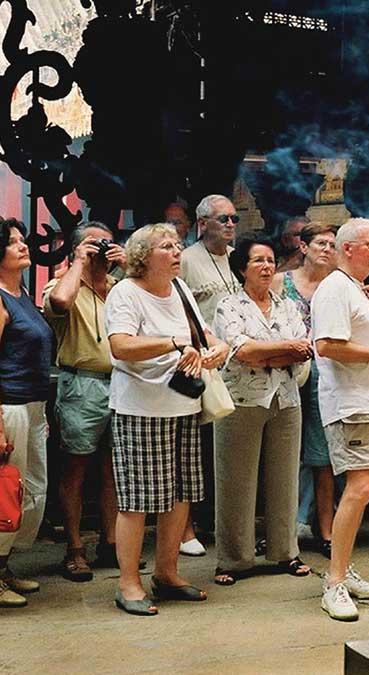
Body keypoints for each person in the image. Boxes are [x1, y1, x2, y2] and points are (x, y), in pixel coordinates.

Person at [107, 223, 229, 615]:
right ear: (143, 256)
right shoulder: (126, 292)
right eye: (166, 246)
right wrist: (176, 343)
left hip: (183, 403)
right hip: (141, 408)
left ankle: (167, 572)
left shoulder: (180, 291)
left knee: (181, 494)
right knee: (137, 500)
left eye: (178, 245)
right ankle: (128, 583)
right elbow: (121, 346)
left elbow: (207, 336)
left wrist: (217, 350)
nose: (177, 252)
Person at [210, 235, 312, 585]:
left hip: (285, 399)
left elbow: (304, 351)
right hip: (241, 400)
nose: (267, 266)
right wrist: (280, 351)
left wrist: (265, 353)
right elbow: (239, 351)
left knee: (285, 478)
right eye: (258, 261)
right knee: (236, 480)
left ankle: (286, 552)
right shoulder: (229, 306)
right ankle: (233, 560)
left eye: (270, 260)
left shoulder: (289, 306)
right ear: (242, 269)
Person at [312, 218, 369, 621]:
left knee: (364, 487)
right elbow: (327, 346)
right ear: (348, 248)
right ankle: (333, 582)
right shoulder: (333, 287)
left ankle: (344, 570)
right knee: (360, 487)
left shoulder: (362, 291)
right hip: (351, 403)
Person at [0, 218, 54, 608]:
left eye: (21, 239)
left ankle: (1, 568)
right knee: (2, 491)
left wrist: (41, 411)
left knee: (32, 491)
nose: (22, 246)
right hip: (6, 405)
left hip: (31, 405)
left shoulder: (20, 294)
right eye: (11, 242)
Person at [44, 222, 126, 581]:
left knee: (114, 471)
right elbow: (60, 302)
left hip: (122, 384)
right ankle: (74, 549)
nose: (101, 248)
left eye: (105, 242)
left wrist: (130, 265)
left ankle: (111, 543)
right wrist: (78, 261)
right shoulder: (63, 284)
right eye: (93, 244)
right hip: (82, 385)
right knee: (75, 469)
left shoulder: (121, 287)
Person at [177, 193, 239, 555]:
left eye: (233, 219)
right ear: (202, 224)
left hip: (237, 362)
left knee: (228, 451)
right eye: (223, 219)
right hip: (201, 363)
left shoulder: (236, 259)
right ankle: (187, 527)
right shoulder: (186, 260)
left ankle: (224, 524)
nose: (230, 225)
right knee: (195, 448)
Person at [273, 223, 338, 556]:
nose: (327, 249)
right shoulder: (282, 281)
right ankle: (284, 529)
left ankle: (325, 529)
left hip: (326, 371)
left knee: (321, 452)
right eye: (320, 243)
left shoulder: (338, 284)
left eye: (332, 244)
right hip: (287, 368)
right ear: (303, 246)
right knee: (285, 450)